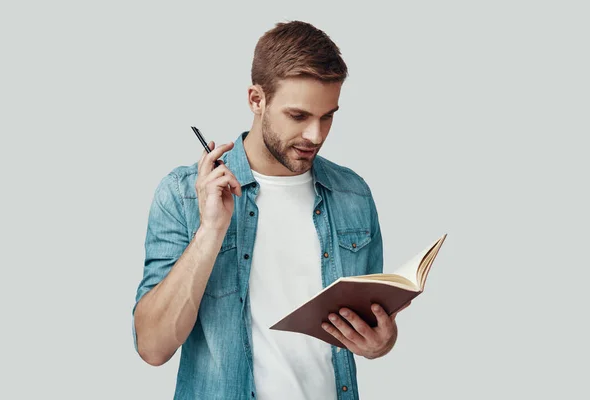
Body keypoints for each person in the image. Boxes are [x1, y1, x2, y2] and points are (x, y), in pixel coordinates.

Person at [132, 20, 409, 400]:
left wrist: (382, 342)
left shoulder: (353, 195)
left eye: (327, 115)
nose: (316, 135)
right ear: (256, 100)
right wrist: (211, 231)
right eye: (298, 116)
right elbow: (152, 347)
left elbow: (369, 321)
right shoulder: (180, 195)